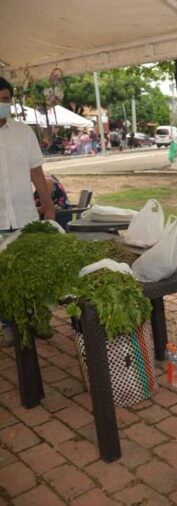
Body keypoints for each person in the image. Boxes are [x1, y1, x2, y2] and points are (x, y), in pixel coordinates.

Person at [0, 77, 55, 346]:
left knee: (35, 270)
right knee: (3, 277)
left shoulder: (24, 133)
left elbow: (37, 173)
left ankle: (40, 316)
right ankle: (9, 324)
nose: (2, 104)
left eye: (6, 99)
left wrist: (49, 207)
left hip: (25, 217)